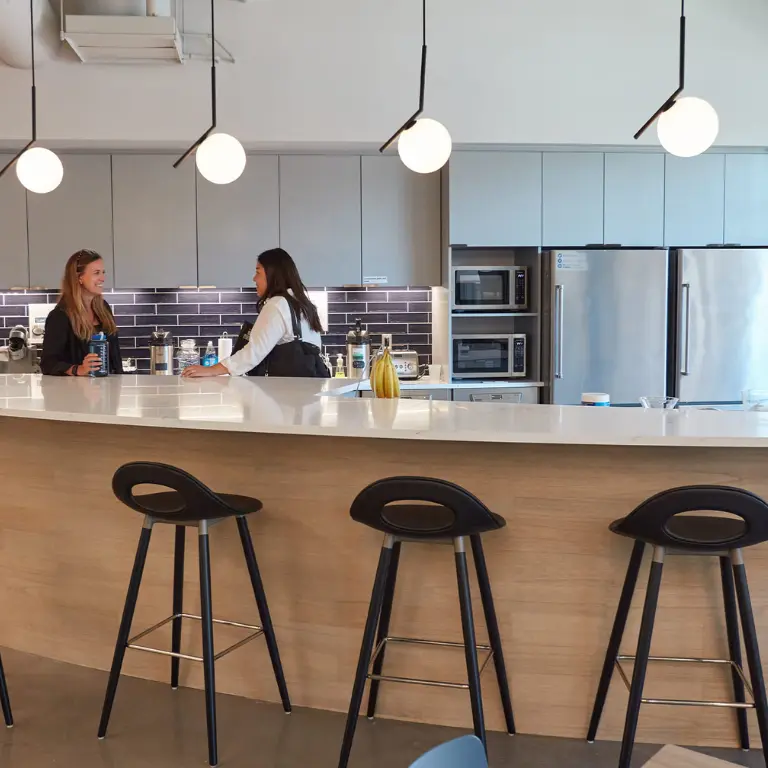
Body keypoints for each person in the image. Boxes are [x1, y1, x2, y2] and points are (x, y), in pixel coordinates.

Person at [182, 248, 328, 378]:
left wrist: (212, 370)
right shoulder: (302, 304)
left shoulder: (277, 305)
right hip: (308, 396)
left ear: (272, 275)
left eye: (258, 272)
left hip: (287, 396)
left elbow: (253, 353)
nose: (254, 278)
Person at [41, 249, 123, 376]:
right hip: (77, 392)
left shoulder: (104, 308)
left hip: (108, 390)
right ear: (79, 277)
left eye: (103, 272)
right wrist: (78, 369)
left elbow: (115, 356)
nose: (102, 278)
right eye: (96, 273)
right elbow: (48, 363)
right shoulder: (60, 316)